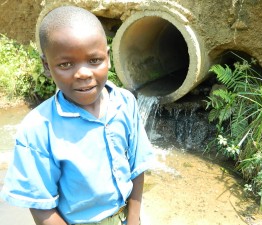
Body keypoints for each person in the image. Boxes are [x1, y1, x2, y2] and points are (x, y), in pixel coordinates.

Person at [0, 5, 153, 225]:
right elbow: (41, 207)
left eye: (94, 60)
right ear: (46, 65)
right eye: (65, 64)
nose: (83, 73)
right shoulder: (39, 129)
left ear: (107, 58)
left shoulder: (125, 102)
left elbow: (137, 168)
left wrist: (134, 219)